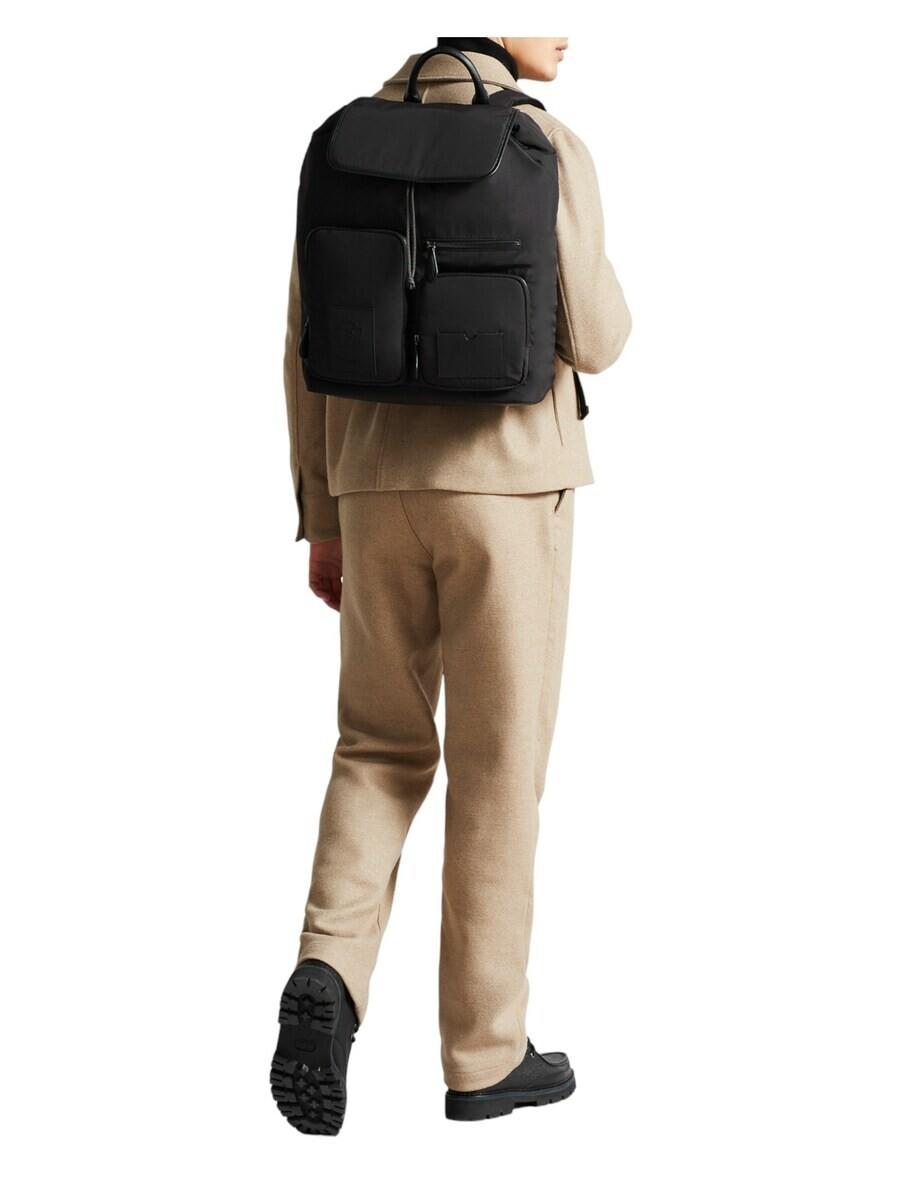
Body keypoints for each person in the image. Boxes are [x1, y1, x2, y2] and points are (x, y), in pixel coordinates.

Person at [271, 36, 632, 1134]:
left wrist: (324, 516)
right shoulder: (544, 142)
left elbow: (301, 347)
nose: (568, 28)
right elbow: (599, 338)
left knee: (375, 745)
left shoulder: (342, 140)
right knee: (496, 768)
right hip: (508, 493)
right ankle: (484, 1054)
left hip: (372, 487)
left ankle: (330, 967)